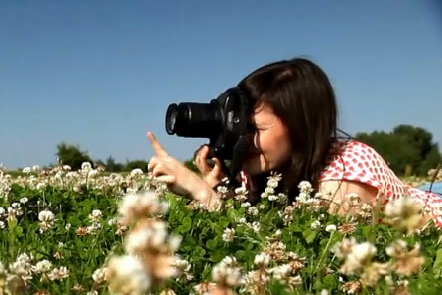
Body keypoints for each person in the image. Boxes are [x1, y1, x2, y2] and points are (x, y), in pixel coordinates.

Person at [145, 57, 442, 227]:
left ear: (301, 128)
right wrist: (219, 189)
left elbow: (326, 264)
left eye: (255, 127)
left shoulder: (345, 180)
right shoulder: (261, 171)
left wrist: (206, 198)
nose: (242, 138)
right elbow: (258, 229)